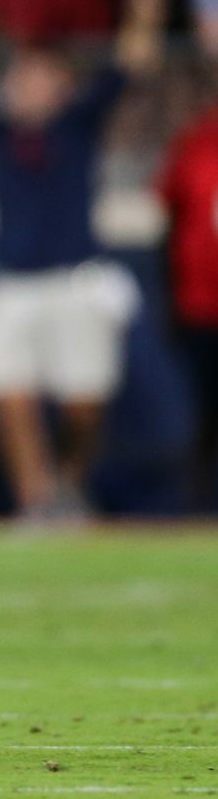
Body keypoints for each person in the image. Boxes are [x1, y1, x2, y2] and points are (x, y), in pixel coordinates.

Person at [0, 0, 162, 521]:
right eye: (19, 77)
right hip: (12, 283)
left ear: (61, 86)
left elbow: (133, 62)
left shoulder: (78, 125)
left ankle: (69, 485)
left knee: (85, 403)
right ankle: (35, 499)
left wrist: (144, 2)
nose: (22, 85)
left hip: (75, 280)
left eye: (35, 76)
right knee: (9, 392)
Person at [155, 92, 218, 510]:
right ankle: (196, 511)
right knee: (207, 413)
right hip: (203, 307)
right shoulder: (198, 141)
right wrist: (171, 299)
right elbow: (170, 226)